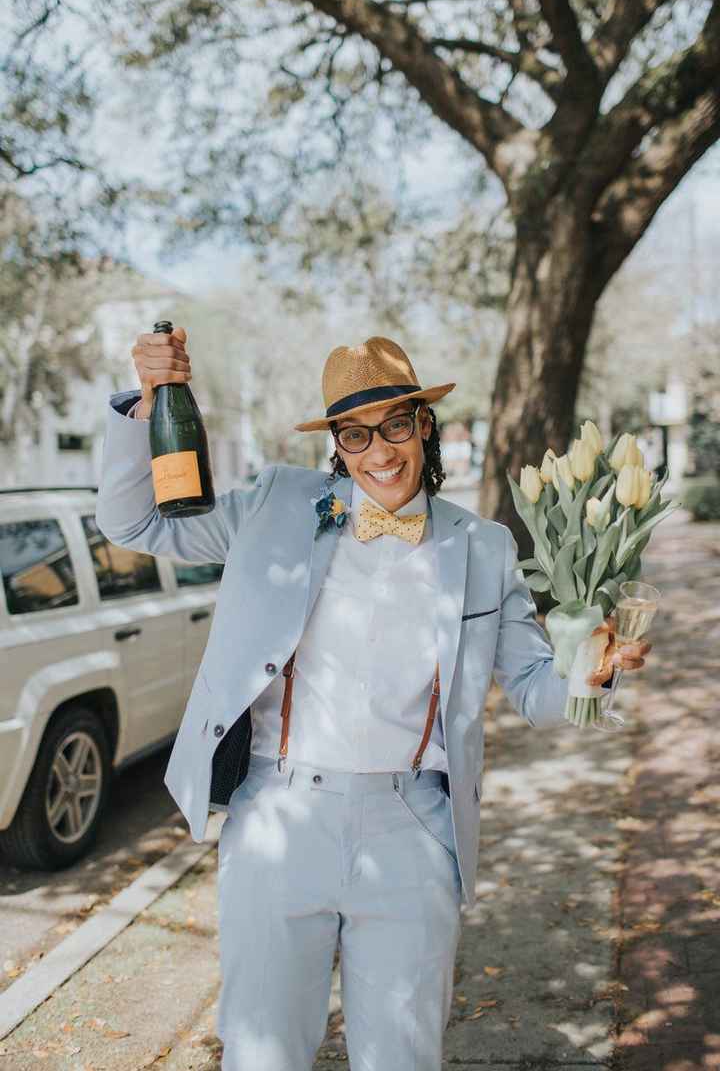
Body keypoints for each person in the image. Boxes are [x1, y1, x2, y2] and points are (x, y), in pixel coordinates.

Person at [95, 329, 651, 1071]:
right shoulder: (275, 504)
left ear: (424, 424)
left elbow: (532, 692)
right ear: (337, 445)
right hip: (278, 815)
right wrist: (146, 405)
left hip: (413, 828)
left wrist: (592, 673)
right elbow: (134, 522)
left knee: (402, 1056)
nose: (380, 453)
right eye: (356, 435)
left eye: (395, 425)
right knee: (263, 1054)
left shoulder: (482, 547)